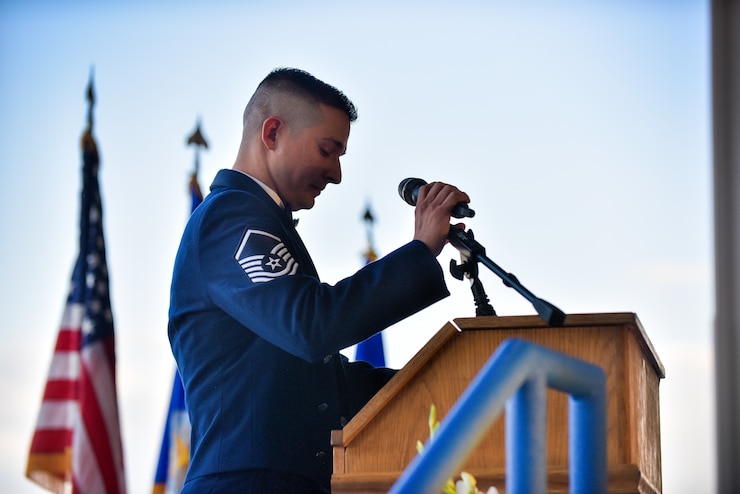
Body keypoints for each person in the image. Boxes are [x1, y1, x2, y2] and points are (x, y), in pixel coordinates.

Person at [168, 67, 471, 493]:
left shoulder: (260, 221)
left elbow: (315, 386)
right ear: (272, 132)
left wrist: (453, 383)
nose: (337, 173)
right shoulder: (230, 217)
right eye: (328, 150)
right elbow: (313, 325)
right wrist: (420, 251)